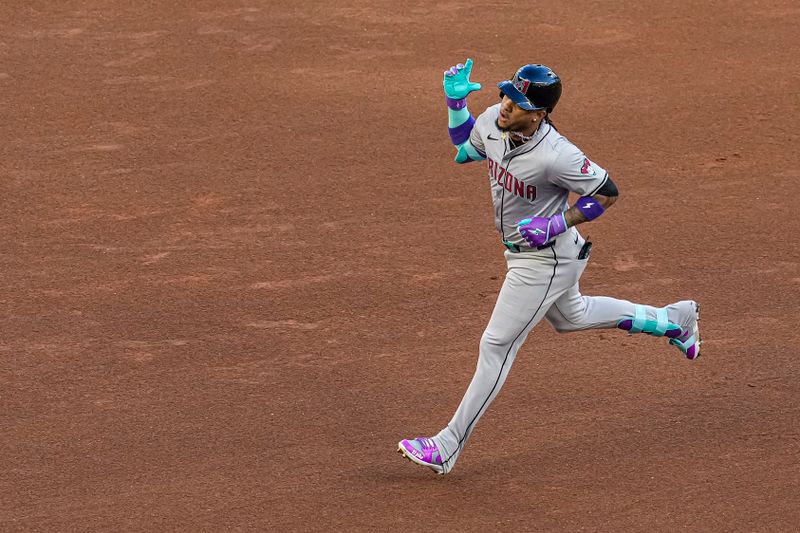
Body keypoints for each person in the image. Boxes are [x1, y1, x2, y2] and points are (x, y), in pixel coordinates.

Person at [397, 58, 701, 475]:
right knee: (571, 317)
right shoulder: (493, 119)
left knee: (496, 347)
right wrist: (455, 103)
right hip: (528, 254)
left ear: (539, 114)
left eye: (517, 101)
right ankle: (672, 320)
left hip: (546, 260)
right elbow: (465, 150)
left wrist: (557, 221)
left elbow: (607, 194)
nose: (504, 104)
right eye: (505, 93)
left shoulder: (558, 156)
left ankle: (448, 445)